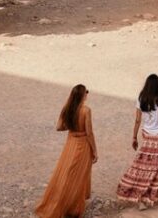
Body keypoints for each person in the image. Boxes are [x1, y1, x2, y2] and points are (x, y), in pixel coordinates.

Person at [35, 84, 98, 218]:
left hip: (70, 144)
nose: (87, 94)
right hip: (83, 146)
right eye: (86, 92)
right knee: (78, 176)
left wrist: (72, 128)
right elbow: (89, 133)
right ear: (82, 95)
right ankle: (72, 207)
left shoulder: (68, 108)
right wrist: (95, 151)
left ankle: (59, 201)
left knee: (66, 173)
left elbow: (59, 127)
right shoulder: (86, 110)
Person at [116, 74, 158, 210]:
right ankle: (145, 196)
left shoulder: (141, 99)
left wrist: (134, 137)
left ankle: (146, 195)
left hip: (146, 135)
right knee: (155, 166)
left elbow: (137, 120)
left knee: (146, 165)